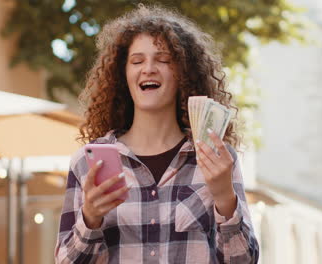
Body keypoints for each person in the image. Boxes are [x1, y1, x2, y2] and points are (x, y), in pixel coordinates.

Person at [55, 4, 259, 263]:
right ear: (123, 74)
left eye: (163, 60)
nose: (148, 68)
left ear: (183, 74)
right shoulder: (86, 163)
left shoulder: (216, 157)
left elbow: (244, 260)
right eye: (137, 61)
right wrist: (90, 219)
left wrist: (224, 197)